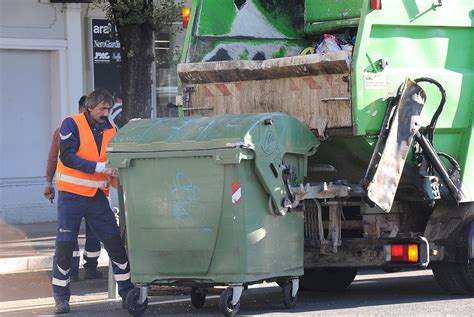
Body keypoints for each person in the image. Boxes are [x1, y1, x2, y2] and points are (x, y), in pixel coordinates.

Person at [51, 88, 133, 314]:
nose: (106, 113)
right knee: (65, 247)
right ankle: (61, 298)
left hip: (97, 197)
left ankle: (127, 292)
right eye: (102, 109)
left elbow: (115, 157)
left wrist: (115, 174)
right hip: (71, 197)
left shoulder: (111, 128)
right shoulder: (71, 124)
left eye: (108, 108)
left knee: (115, 243)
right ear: (89, 109)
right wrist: (100, 167)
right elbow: (67, 157)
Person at [44, 96, 103, 282]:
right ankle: (90, 269)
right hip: (92, 193)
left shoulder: (62, 130)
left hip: (72, 193)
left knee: (70, 232)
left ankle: (72, 270)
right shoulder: (97, 132)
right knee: (92, 230)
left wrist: (48, 183)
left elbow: (53, 158)